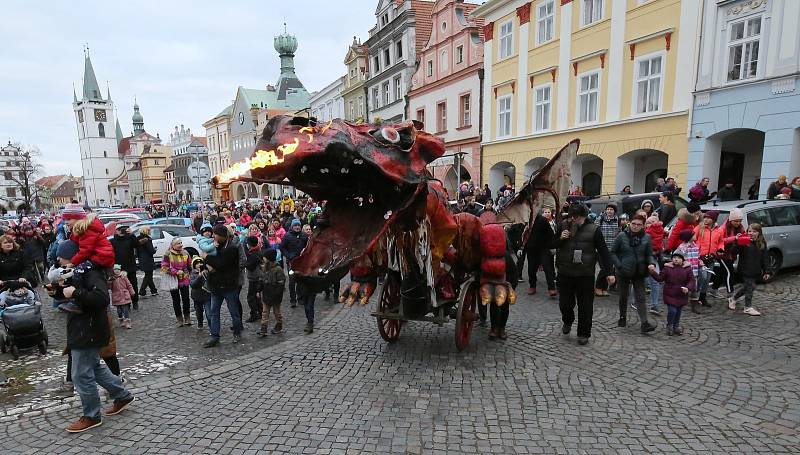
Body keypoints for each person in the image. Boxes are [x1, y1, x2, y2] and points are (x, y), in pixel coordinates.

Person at [59, 240, 135, 433]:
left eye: (62, 255)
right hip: (83, 327)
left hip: (89, 329)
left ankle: (92, 416)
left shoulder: (90, 271)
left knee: (80, 375)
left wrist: (74, 292)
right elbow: (76, 296)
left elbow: (100, 298)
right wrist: (59, 292)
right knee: (94, 366)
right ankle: (122, 395)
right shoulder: (77, 270)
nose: (58, 259)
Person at [553, 203, 614, 346]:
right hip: (565, 272)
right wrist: (560, 239)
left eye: (577, 217)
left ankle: (583, 333)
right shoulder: (563, 225)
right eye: (572, 217)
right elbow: (551, 244)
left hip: (585, 273)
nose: (574, 220)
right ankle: (568, 320)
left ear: (584, 216)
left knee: (585, 306)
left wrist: (609, 272)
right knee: (565, 304)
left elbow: (603, 252)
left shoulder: (594, 229)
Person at [610, 214, 658, 333]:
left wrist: (651, 263)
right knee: (623, 296)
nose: (636, 227)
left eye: (639, 225)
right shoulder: (622, 236)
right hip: (623, 271)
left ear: (643, 226)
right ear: (629, 223)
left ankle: (644, 323)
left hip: (639, 271)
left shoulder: (646, 237)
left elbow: (649, 254)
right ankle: (622, 316)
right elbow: (612, 252)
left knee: (641, 297)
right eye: (633, 224)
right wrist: (619, 265)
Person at [203, 225, 244, 347]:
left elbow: (221, 264)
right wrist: (208, 263)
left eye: (215, 234)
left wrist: (207, 258)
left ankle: (237, 332)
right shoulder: (214, 246)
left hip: (229, 286)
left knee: (234, 312)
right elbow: (210, 262)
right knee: (214, 312)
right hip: (215, 286)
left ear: (222, 236)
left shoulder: (231, 248)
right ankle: (214, 336)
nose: (213, 236)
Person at [648, 252, 695, 336]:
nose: (676, 259)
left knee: (678, 312)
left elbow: (691, 280)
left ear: (682, 260)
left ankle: (675, 326)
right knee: (672, 311)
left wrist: (687, 288)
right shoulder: (667, 268)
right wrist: (652, 272)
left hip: (681, 294)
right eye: (674, 257)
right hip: (670, 294)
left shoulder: (687, 269)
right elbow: (660, 278)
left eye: (678, 258)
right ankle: (669, 325)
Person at [729, 223, 768, 315]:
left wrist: (767, 271)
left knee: (750, 286)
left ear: (759, 233)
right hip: (745, 269)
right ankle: (747, 307)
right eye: (750, 231)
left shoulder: (762, 242)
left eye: (754, 231)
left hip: (755, 270)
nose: (751, 233)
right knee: (750, 287)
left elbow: (765, 257)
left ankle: (734, 298)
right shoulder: (745, 241)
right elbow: (734, 251)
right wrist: (738, 242)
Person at [61, 203, 114, 269]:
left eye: (69, 219)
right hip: (99, 256)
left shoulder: (86, 231)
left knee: (78, 271)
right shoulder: (81, 230)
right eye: (65, 219)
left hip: (102, 257)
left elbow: (85, 251)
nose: (66, 222)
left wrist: (72, 263)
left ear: (78, 219)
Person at [711, 208, 745, 307]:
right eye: (736, 221)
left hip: (732, 254)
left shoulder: (740, 227)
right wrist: (734, 238)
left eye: (739, 221)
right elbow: (721, 241)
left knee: (721, 272)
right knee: (729, 272)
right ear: (731, 220)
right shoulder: (723, 228)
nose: (738, 223)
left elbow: (742, 236)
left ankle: (714, 289)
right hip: (722, 254)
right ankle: (730, 293)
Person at [524, 207, 557, 297]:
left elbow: (551, 234)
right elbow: (523, 235)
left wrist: (552, 246)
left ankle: (551, 288)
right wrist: (521, 247)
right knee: (531, 268)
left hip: (543, 247)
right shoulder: (525, 221)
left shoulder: (542, 220)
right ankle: (532, 286)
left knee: (547, 267)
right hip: (531, 248)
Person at [161, 238, 192, 327]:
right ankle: (179, 319)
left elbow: (189, 265)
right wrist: (175, 272)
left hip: (184, 279)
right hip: (173, 280)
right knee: (176, 300)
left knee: (186, 299)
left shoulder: (185, 252)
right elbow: (164, 267)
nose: (181, 245)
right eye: (178, 243)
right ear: (173, 245)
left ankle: (187, 317)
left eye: (181, 243)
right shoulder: (168, 254)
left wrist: (189, 272)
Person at [693, 210, 721, 306]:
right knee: (703, 276)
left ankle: (702, 297)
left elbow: (720, 242)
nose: (705, 219)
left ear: (713, 220)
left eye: (708, 218)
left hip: (711, 257)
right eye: (705, 217)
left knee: (708, 278)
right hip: (700, 258)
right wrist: (695, 252)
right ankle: (694, 294)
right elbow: (692, 240)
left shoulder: (718, 230)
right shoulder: (699, 228)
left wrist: (720, 249)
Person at [110, 226, 139, 310]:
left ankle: (135, 301)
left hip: (130, 266)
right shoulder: (112, 241)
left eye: (123, 229)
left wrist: (132, 234)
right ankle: (126, 303)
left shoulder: (130, 239)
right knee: (121, 286)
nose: (121, 231)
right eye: (120, 229)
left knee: (133, 284)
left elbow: (137, 245)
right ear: (116, 231)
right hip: (119, 267)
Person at [594, 203, 620, 297]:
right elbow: (594, 231)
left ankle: (604, 288)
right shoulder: (600, 219)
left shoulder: (618, 220)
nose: (609, 211)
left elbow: (619, 233)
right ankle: (598, 287)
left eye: (611, 209)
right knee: (604, 268)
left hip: (612, 249)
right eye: (608, 209)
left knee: (609, 269)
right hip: (601, 248)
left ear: (614, 211)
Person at [259, 248, 286, 336]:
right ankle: (263, 329)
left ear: (269, 258)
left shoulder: (278, 269)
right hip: (266, 293)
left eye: (265, 257)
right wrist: (258, 290)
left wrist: (276, 294)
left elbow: (281, 284)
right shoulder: (264, 268)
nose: (263, 259)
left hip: (275, 295)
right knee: (265, 312)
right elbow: (262, 280)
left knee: (276, 312)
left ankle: (279, 326)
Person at [281, 219, 308, 308]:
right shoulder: (287, 236)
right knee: (292, 281)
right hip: (291, 262)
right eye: (295, 225)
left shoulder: (304, 235)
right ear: (292, 227)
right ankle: (293, 300)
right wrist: (288, 255)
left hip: (302, 262)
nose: (297, 227)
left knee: (300, 280)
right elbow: (282, 248)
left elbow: (308, 247)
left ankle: (300, 298)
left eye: (298, 225)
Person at [674, 229, 701, 313]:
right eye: (693, 234)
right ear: (689, 237)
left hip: (694, 271)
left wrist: (700, 262)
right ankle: (677, 301)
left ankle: (694, 306)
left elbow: (697, 258)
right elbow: (676, 256)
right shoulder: (682, 247)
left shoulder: (695, 246)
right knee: (683, 287)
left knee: (694, 289)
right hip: (685, 272)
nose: (695, 235)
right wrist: (683, 263)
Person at [644, 215, 665, 314]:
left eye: (650, 222)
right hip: (645, 259)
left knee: (655, 281)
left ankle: (654, 305)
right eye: (647, 222)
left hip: (653, 259)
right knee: (640, 280)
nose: (648, 224)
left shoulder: (648, 231)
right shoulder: (660, 230)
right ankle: (635, 301)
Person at [243, 236, 265, 323]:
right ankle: (261, 312)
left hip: (255, 278)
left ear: (249, 244)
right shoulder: (257, 251)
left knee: (251, 297)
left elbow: (251, 266)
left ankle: (254, 314)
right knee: (256, 297)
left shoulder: (253, 254)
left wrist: (244, 263)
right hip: (257, 277)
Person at [108, 264, 135, 329]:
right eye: (115, 269)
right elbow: (109, 288)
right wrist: (109, 282)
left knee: (125, 310)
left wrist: (132, 292)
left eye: (118, 269)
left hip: (125, 296)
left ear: (120, 270)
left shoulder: (124, 277)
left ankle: (127, 322)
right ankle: (121, 320)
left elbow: (129, 285)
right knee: (119, 311)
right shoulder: (112, 278)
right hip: (116, 297)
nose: (116, 271)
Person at [189, 257, 210, 329]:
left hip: (207, 296)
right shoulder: (193, 273)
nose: (199, 265)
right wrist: (199, 277)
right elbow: (193, 285)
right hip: (197, 297)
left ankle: (211, 327)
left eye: (200, 263)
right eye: (197, 263)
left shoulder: (207, 271)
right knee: (199, 312)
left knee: (209, 313)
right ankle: (200, 324)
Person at [136, 226, 158, 298]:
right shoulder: (147, 239)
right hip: (148, 259)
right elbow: (151, 251)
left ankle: (153, 290)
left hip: (141, 259)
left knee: (148, 275)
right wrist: (154, 250)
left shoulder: (138, 238)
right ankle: (142, 291)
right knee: (148, 276)